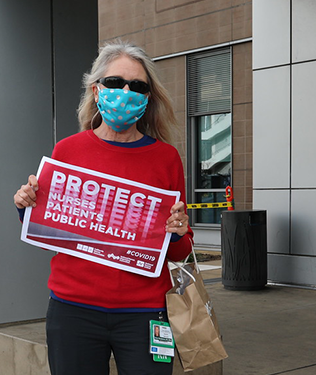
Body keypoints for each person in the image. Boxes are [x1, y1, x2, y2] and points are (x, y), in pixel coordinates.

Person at [11, 42, 193, 374]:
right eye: (115, 83)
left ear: (148, 97)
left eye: (138, 86)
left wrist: (179, 233)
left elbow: (180, 251)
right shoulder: (68, 151)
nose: (126, 92)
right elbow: (49, 225)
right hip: (74, 310)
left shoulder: (166, 158)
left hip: (146, 312)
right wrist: (26, 205)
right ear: (96, 90)